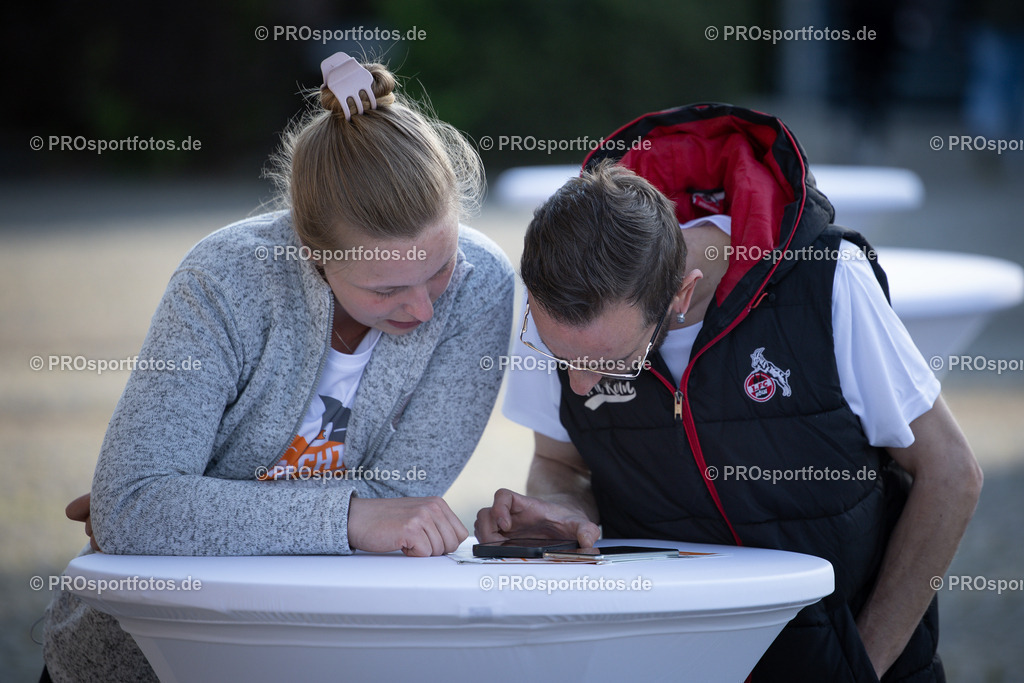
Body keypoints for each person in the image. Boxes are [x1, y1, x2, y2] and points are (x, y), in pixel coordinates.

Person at [42, 53, 514, 682]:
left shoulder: (481, 284)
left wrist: (193, 513)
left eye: (437, 269)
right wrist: (349, 517)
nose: (425, 307)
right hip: (154, 654)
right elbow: (135, 505)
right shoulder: (223, 280)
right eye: (384, 290)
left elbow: (403, 508)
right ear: (313, 252)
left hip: (329, 654)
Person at [476, 103, 982, 682]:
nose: (580, 385)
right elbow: (558, 462)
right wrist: (560, 519)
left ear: (681, 295)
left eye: (611, 363)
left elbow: (952, 474)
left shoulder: (829, 279)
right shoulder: (562, 308)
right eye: (555, 355)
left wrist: (862, 665)